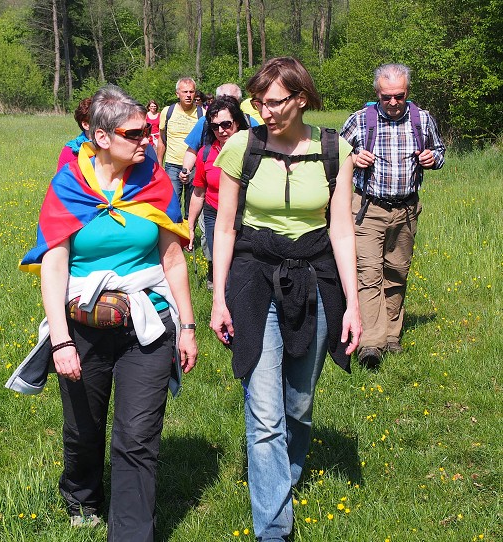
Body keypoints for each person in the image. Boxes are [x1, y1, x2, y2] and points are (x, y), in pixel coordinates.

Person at [18, 85, 198, 540]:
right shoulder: (68, 187)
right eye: (135, 133)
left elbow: (173, 259)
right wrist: (59, 340)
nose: (146, 139)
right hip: (82, 327)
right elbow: (54, 265)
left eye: (148, 131)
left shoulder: (155, 183)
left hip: (147, 324)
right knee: (83, 429)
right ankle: (82, 495)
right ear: (101, 137)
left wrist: (188, 327)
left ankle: (132, 533)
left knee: (137, 440)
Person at [210, 57, 361, 542]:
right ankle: (274, 530)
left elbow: (341, 230)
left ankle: (285, 479)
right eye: (258, 102)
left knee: (299, 405)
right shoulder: (241, 146)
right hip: (255, 281)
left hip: (316, 281)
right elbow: (226, 226)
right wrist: (218, 297)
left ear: (301, 98)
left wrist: (354, 305)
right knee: (266, 414)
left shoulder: (335, 150)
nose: (264, 111)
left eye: (274, 102)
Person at [340, 63, 445, 368]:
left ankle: (391, 336)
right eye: (387, 97)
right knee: (369, 274)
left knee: (397, 273)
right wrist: (353, 158)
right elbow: (334, 155)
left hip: (407, 209)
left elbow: (438, 152)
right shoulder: (361, 121)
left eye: (399, 96)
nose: (393, 102)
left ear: (407, 92)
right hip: (368, 208)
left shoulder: (422, 119)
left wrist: (431, 158)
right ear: (377, 94)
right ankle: (371, 343)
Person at [186, 96, 248, 290]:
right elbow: (198, 192)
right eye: (215, 126)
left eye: (226, 124)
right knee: (222, 264)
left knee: (245, 264)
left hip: (245, 215)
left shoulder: (253, 150)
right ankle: (224, 304)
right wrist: (190, 225)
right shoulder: (205, 153)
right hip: (214, 214)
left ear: (237, 122)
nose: (221, 130)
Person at [157, 77, 204, 219]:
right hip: (172, 164)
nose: (188, 95)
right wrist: (159, 163)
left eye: (191, 91)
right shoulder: (168, 111)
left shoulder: (202, 114)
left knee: (192, 207)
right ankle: (175, 237)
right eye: (185, 92)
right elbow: (161, 139)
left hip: (195, 166)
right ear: (177, 93)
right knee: (173, 205)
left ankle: (188, 238)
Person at [57, 97, 92, 172]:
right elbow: (61, 182)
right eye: (99, 121)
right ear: (86, 125)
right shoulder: (70, 151)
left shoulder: (112, 148)